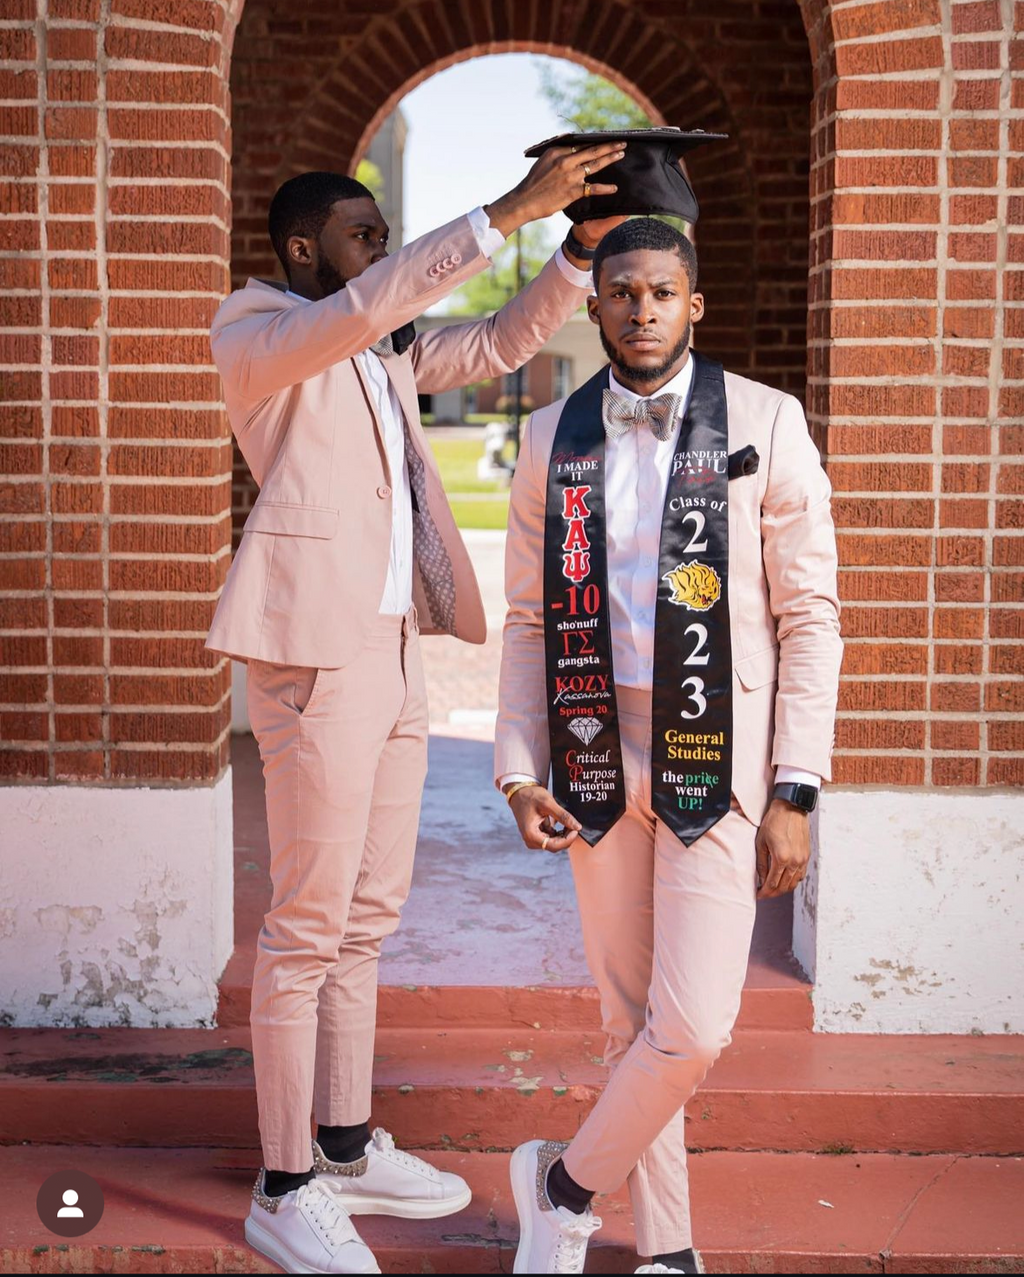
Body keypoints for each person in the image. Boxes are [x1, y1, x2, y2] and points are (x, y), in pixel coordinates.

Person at [206, 145, 628, 1275]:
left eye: (382, 233)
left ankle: (341, 1143)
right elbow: (366, 308)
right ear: (303, 249)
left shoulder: (372, 337)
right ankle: (283, 1184)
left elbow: (491, 343)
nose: (378, 250)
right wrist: (497, 212)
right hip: (311, 654)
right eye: (358, 234)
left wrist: (572, 249)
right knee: (306, 926)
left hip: (389, 655)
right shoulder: (255, 329)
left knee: (367, 913)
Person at [495, 216, 843, 1275]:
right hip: (594, 744)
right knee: (630, 1017)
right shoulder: (552, 434)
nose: (640, 308)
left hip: (717, 748)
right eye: (620, 291)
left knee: (691, 1025)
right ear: (594, 305)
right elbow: (524, 618)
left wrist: (797, 784)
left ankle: (560, 1185)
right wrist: (517, 766)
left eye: (660, 291)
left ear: (693, 305)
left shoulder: (766, 421)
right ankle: (666, 1251)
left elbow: (810, 615)